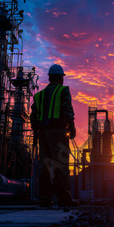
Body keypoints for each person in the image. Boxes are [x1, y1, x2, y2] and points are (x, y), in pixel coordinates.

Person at [31, 64, 78, 208]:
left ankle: (45, 199)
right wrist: (72, 126)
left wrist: (36, 133)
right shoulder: (63, 91)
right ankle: (64, 199)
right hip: (58, 132)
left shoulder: (39, 95)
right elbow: (67, 109)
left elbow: (33, 116)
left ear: (50, 78)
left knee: (44, 166)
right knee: (61, 165)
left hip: (43, 133)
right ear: (60, 78)